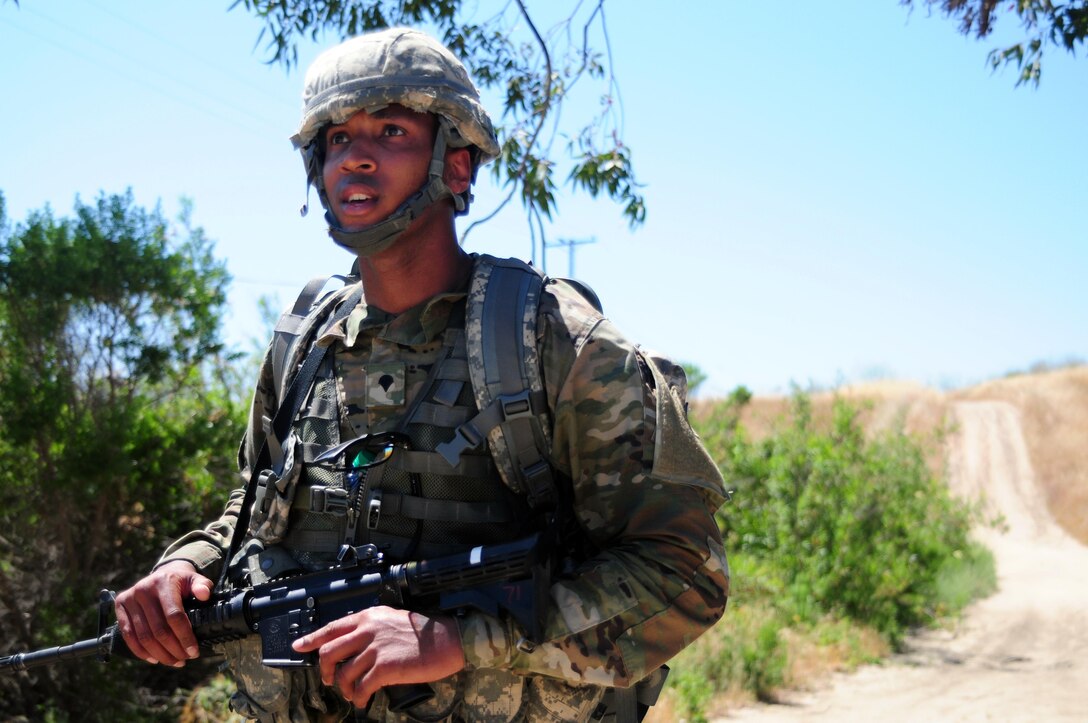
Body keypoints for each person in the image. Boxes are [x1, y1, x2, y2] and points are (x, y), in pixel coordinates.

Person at [114, 27, 729, 723]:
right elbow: (253, 509)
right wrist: (184, 568)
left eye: (391, 131)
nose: (358, 158)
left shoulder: (552, 340)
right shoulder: (304, 340)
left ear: (456, 165)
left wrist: (460, 641)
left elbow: (684, 576)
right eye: (339, 139)